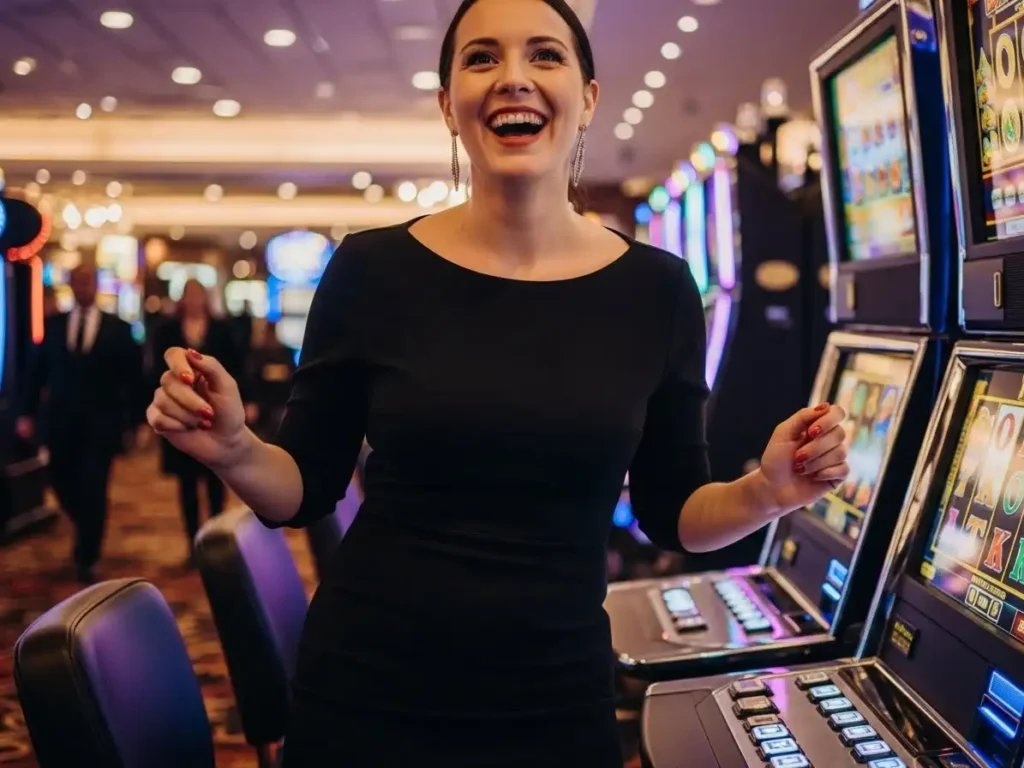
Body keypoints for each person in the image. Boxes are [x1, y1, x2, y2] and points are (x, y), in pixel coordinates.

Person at [146, 0, 850, 763]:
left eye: (545, 55)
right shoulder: (371, 269)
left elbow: (673, 511)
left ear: (588, 97)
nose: (513, 78)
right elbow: (305, 488)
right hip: (370, 687)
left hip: (557, 693)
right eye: (482, 58)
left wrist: (768, 493)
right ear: (448, 104)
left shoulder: (658, 289)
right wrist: (234, 448)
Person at [18, 264, 140, 583]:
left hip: (102, 424)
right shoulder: (54, 325)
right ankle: (86, 526)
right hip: (60, 422)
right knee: (59, 479)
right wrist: (26, 413)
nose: (83, 287)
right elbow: (36, 373)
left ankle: (87, 554)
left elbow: (133, 378)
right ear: (71, 286)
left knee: (94, 485)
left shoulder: (118, 328)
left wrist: (135, 422)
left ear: (96, 285)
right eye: (78, 282)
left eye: (88, 281)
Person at [151, 278, 250, 563]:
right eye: (189, 294)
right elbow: (155, 373)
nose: (194, 299)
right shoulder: (167, 330)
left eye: (199, 294)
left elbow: (236, 368)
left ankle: (216, 544)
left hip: (213, 413)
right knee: (187, 484)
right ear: (182, 298)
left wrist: (247, 401)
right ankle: (194, 544)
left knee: (216, 481)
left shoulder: (222, 329)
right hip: (180, 414)